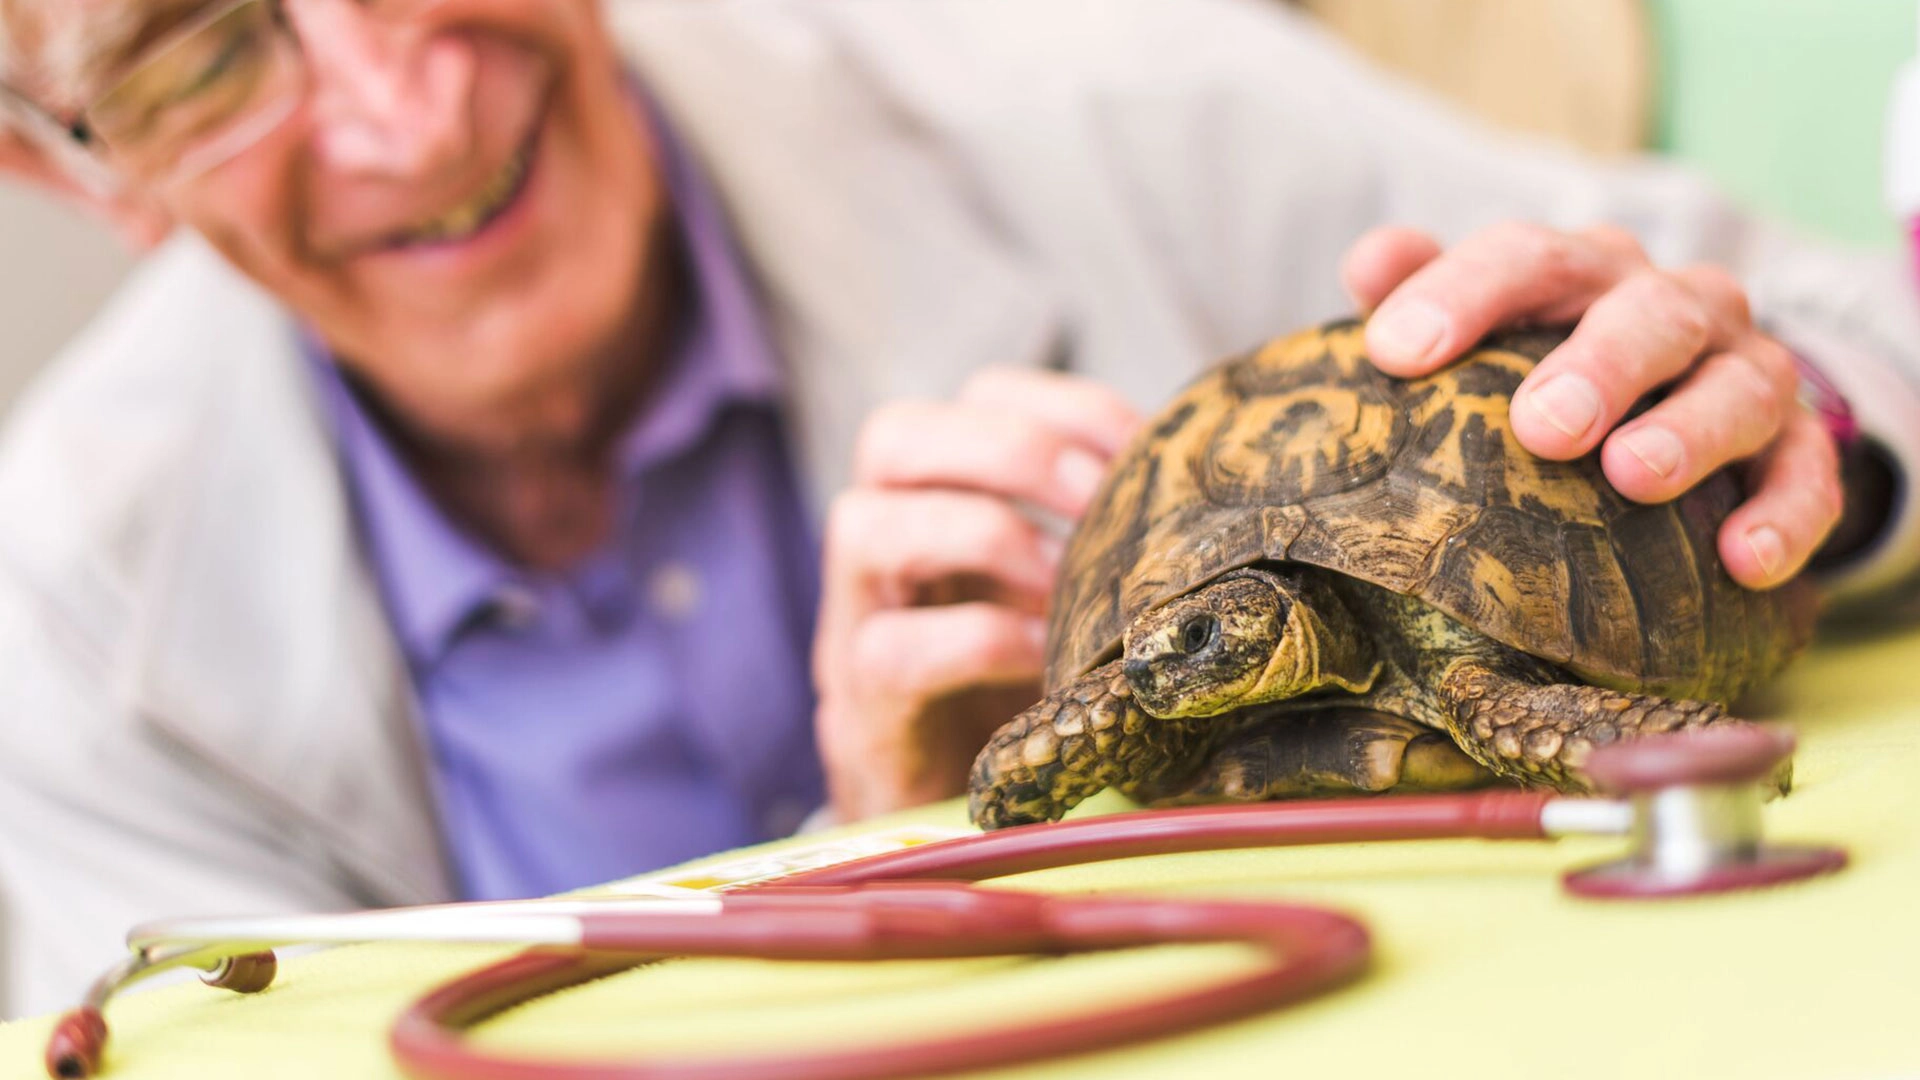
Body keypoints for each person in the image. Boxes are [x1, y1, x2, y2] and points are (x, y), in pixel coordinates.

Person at [0, 0, 1911, 1019]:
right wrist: (896, 845)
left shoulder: (1119, 91)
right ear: (51, 155)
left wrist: (1763, 446)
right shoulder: (61, 636)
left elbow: (1860, 312)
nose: (407, 108)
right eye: (194, 50)